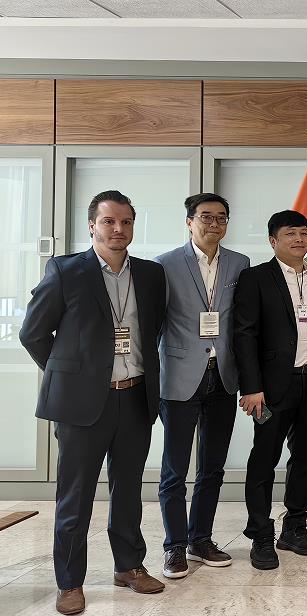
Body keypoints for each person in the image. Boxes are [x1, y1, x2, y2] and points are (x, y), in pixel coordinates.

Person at [19, 190, 167, 615]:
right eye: (108, 221)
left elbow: (153, 330)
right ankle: (70, 582)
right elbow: (33, 333)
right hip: (81, 405)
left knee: (128, 491)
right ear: (91, 225)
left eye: (125, 222)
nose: (118, 229)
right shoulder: (66, 271)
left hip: (135, 397)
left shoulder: (151, 274)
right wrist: (72, 375)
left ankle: (129, 566)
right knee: (76, 495)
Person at [233, 210, 307, 570]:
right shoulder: (256, 278)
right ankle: (261, 534)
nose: (298, 240)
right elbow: (244, 334)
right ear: (273, 240)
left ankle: (294, 527)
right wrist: (251, 387)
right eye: (290, 234)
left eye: (303, 233)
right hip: (272, 387)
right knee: (264, 459)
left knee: (305, 457)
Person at [156, 193, 250, 578]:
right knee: (175, 470)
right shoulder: (164, 265)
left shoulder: (239, 263)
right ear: (189, 222)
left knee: (212, 467)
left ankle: (200, 538)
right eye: (206, 217)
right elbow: (154, 324)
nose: (214, 224)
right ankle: (174, 546)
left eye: (221, 217)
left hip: (223, 377)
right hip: (179, 377)